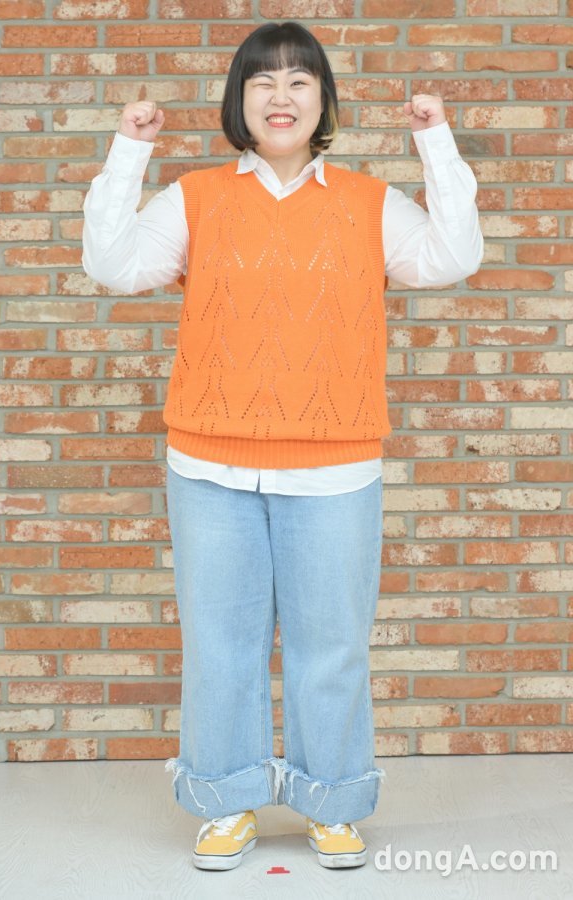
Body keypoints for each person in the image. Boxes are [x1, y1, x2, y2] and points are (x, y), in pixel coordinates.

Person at [82, 21, 484, 872]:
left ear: (322, 102)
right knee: (219, 647)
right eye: (262, 80)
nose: (280, 96)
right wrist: (129, 151)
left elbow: (454, 255)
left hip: (336, 467)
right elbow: (113, 265)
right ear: (240, 99)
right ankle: (224, 802)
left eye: (300, 81)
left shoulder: (369, 201)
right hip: (208, 465)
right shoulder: (196, 197)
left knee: (329, 647)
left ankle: (331, 802)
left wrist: (435, 141)